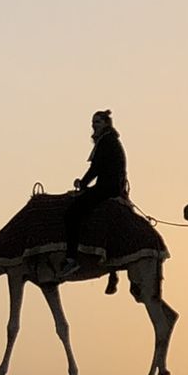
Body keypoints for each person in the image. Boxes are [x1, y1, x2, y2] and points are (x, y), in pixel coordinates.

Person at [61, 109, 127, 278]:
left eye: (97, 122)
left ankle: (71, 259)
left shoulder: (107, 142)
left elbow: (95, 168)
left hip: (106, 188)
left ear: (106, 124)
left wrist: (82, 184)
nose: (93, 125)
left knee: (71, 214)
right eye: (93, 122)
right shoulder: (110, 141)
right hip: (110, 186)